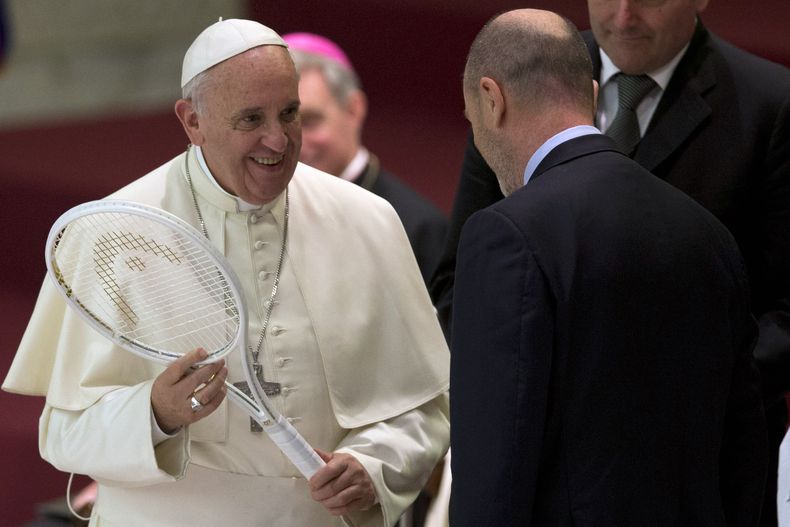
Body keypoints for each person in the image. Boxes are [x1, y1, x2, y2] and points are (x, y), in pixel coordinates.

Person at [2, 18, 450, 527]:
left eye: (289, 113)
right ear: (192, 121)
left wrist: (374, 465)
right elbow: (63, 434)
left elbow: (423, 407)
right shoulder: (112, 233)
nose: (277, 141)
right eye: (251, 119)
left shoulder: (367, 220)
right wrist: (155, 414)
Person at [431, 1, 790, 522]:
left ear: (491, 102)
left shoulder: (769, 106)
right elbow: (460, 285)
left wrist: (649, 387)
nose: (623, 14)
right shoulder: (530, 61)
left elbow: (494, 465)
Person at [282, 32, 447, 284]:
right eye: (284, 123)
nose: (295, 141)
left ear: (353, 109)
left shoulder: (416, 226)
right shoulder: (260, 211)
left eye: (310, 121)